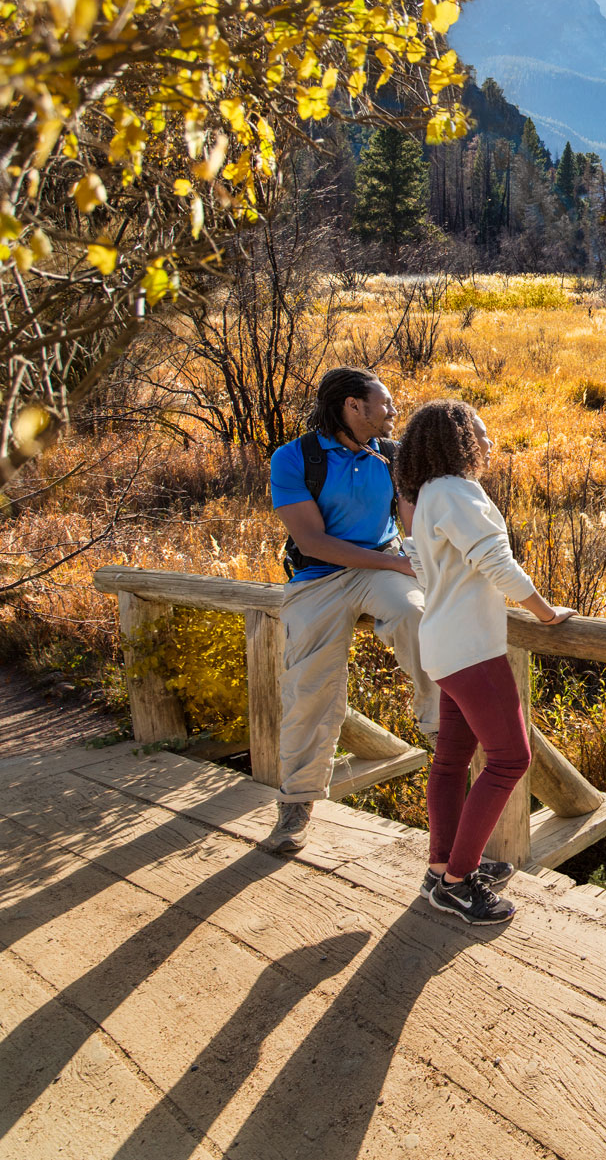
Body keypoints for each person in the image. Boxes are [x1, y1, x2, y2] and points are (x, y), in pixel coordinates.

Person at [397, 398, 574, 925]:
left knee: (451, 762)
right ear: (458, 440)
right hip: (472, 651)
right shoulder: (457, 490)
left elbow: (426, 572)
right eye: (481, 431)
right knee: (510, 760)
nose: (490, 441)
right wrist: (544, 612)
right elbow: (496, 560)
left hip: (444, 648)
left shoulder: (428, 493)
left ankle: (440, 867)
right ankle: (456, 883)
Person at [266, 366, 441, 854]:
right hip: (319, 577)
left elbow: (411, 520)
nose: (392, 411)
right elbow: (312, 541)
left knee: (418, 618)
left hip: (381, 569)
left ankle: (439, 728)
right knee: (308, 686)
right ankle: (296, 805)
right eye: (384, 403)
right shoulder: (293, 459)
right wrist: (397, 564)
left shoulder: (392, 456)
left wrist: (422, 564)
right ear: (353, 406)